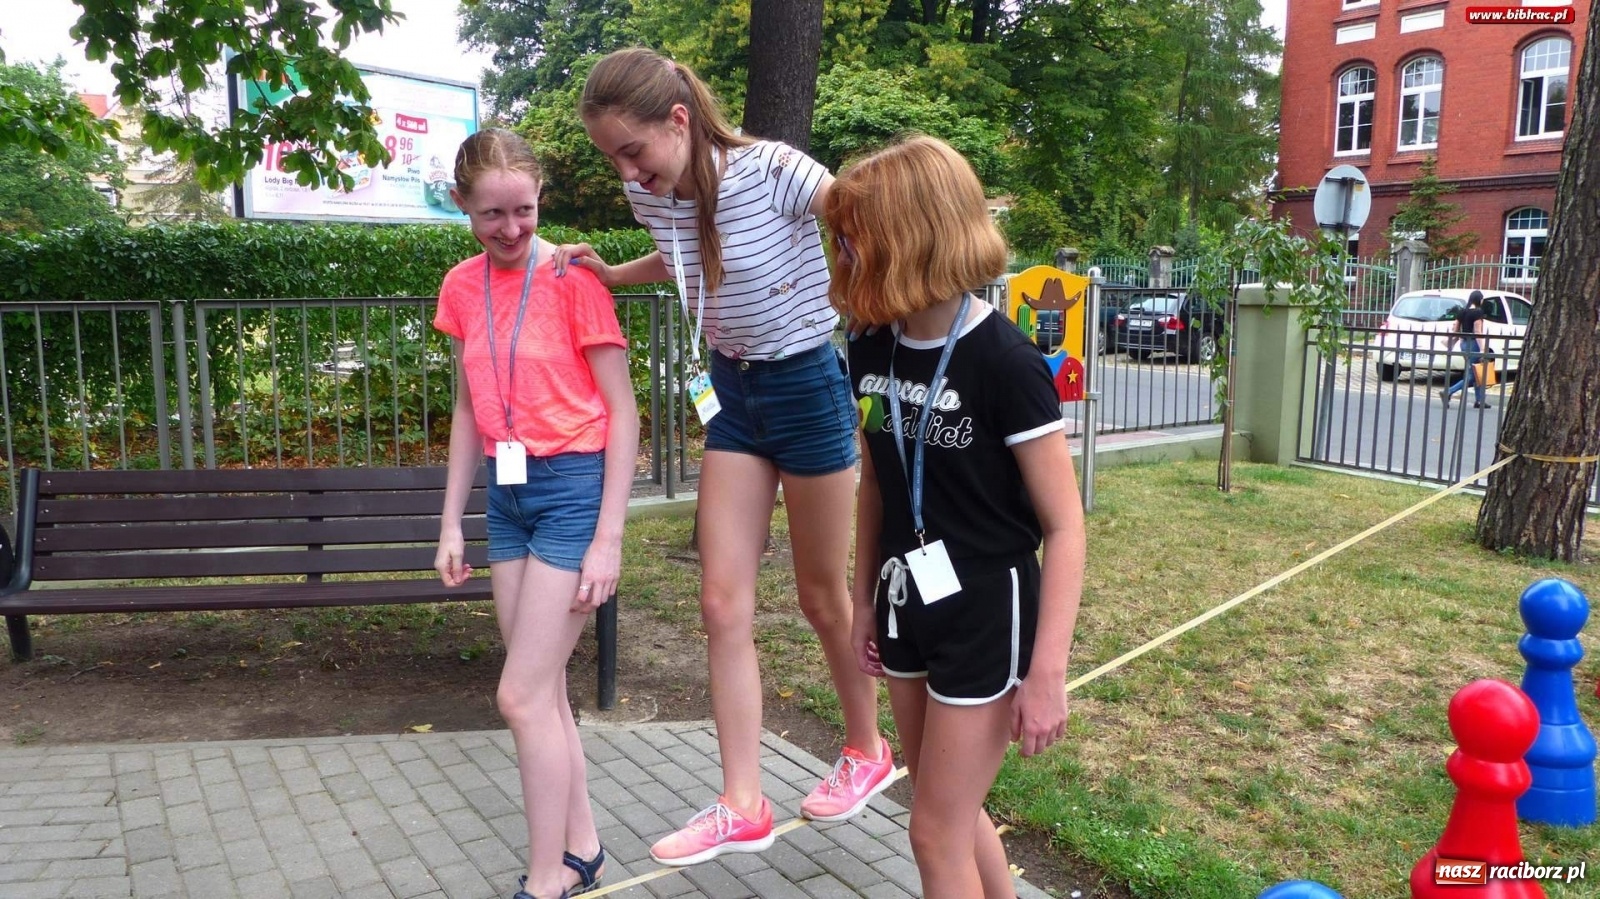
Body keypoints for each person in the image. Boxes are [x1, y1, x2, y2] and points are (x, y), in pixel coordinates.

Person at [552, 47, 892, 864]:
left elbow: (865, 218)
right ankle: (743, 799)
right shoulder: (650, 195)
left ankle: (867, 749)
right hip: (731, 392)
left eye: (632, 151)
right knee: (719, 601)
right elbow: (681, 262)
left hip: (807, 383)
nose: (626, 171)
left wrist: (861, 291)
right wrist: (612, 272)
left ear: (678, 121)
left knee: (820, 595)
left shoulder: (771, 169)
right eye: (612, 159)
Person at [824, 135, 1086, 899]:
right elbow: (878, 478)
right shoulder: (871, 343)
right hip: (907, 598)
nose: (842, 250)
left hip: (985, 612)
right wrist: (864, 597)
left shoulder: (1005, 363)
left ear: (910, 234)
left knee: (932, 829)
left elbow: (1066, 527)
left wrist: (1047, 672)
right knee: (949, 808)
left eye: (854, 235)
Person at [433, 128, 638, 899]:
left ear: (539, 197)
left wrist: (608, 538)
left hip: (572, 491)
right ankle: (582, 847)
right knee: (542, 689)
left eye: (523, 209)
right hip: (506, 495)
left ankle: (549, 875)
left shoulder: (573, 278)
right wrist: (453, 520)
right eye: (491, 214)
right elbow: (466, 409)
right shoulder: (461, 286)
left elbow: (624, 411)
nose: (511, 229)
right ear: (461, 206)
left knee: (518, 694)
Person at [1442, 289, 1490, 409]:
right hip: (1473, 344)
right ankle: (1448, 392)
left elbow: (1456, 329)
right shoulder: (1478, 313)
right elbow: (1478, 332)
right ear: (1480, 300)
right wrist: (1484, 349)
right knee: (1473, 374)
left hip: (1463, 344)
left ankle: (1479, 400)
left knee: (1475, 371)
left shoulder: (1462, 311)